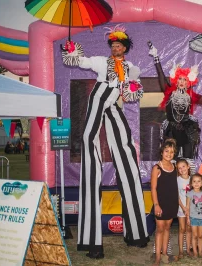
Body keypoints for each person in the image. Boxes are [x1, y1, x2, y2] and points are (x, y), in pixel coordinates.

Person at [61, 25, 149, 259]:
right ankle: (93, 243)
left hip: (114, 105)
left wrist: (130, 86)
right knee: (90, 142)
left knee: (126, 151)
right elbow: (84, 62)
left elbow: (134, 83)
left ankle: (137, 233)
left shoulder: (131, 68)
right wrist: (72, 52)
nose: (115, 47)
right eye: (112, 44)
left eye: (119, 44)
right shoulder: (101, 62)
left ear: (125, 48)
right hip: (99, 97)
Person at [148, 42, 202, 166]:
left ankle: (188, 183)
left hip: (187, 128)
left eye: (185, 79)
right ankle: (173, 181)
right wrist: (156, 57)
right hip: (172, 128)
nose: (182, 81)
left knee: (188, 157)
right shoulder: (168, 91)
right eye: (180, 79)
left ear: (189, 82)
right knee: (172, 156)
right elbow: (161, 76)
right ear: (175, 80)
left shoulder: (191, 96)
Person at [151, 139, 179, 265]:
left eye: (172, 152)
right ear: (162, 152)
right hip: (160, 204)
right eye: (167, 151)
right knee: (160, 229)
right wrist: (156, 205)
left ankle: (164, 253)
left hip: (172, 203)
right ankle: (157, 257)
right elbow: (153, 188)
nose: (169, 154)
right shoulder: (157, 168)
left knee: (167, 227)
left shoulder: (175, 167)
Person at [186, 173, 202, 258]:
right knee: (194, 235)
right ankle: (195, 252)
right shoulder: (190, 193)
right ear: (191, 183)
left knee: (200, 235)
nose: (196, 183)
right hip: (193, 218)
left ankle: (200, 252)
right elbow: (187, 207)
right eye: (194, 181)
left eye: (198, 181)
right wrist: (188, 218)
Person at [176, 159, 192, 258]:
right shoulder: (177, 180)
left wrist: (189, 209)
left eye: (183, 166)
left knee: (189, 229)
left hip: (191, 209)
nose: (182, 169)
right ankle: (181, 251)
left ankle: (188, 249)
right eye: (179, 168)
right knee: (182, 229)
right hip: (181, 208)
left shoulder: (192, 179)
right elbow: (177, 196)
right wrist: (183, 207)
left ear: (188, 166)